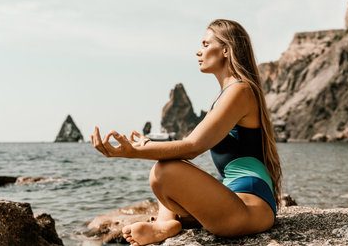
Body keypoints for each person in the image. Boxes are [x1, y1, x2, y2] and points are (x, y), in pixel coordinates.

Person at [91, 19, 282, 246]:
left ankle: (165, 223)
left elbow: (192, 147)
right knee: (165, 166)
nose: (198, 51)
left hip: (250, 209)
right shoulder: (224, 95)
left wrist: (130, 152)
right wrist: (149, 144)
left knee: (165, 169)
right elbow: (186, 145)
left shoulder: (240, 90)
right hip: (233, 201)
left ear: (225, 50)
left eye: (205, 44)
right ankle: (168, 222)